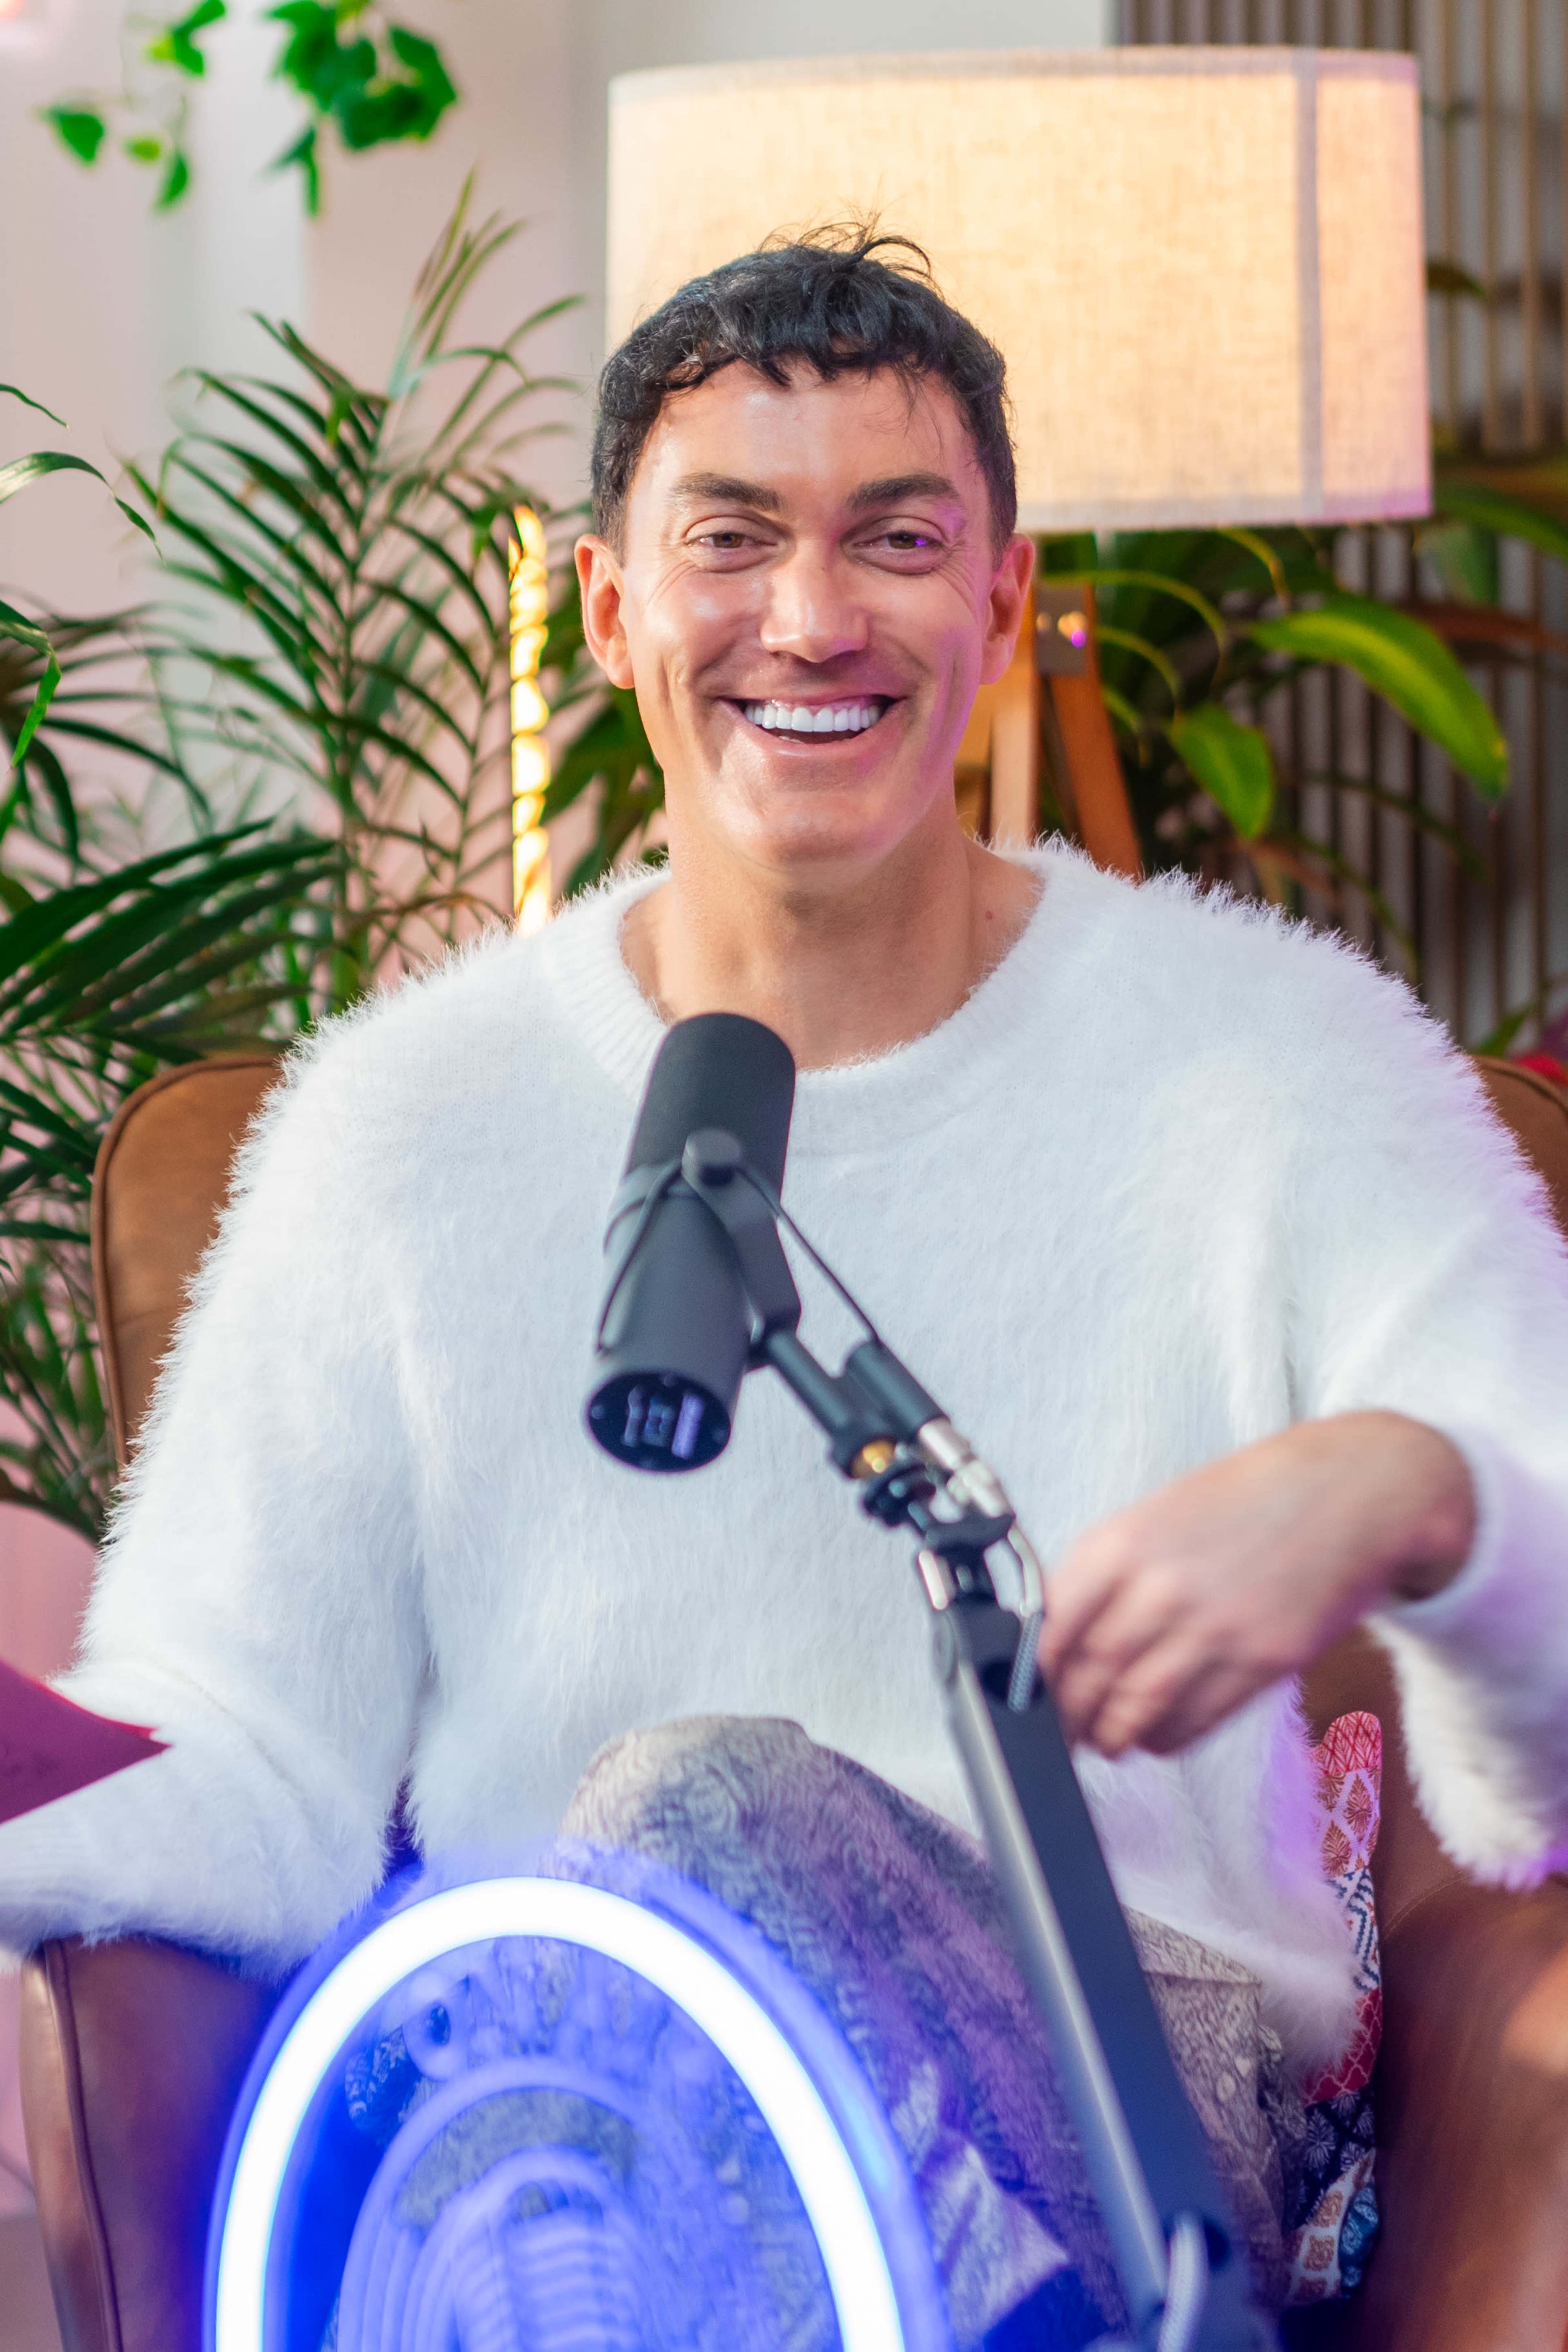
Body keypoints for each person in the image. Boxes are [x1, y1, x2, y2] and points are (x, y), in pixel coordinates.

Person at [3, 232, 1566, 2345]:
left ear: (1004, 601)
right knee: (541, 2043)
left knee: (691, 1806)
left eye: (895, 540)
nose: (811, 618)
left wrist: (1399, 1481)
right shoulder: (400, 1130)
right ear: (610, 603)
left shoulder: (1280, 1065)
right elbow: (238, 1760)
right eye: (730, 538)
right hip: (570, 2109)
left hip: (1128, 2105)